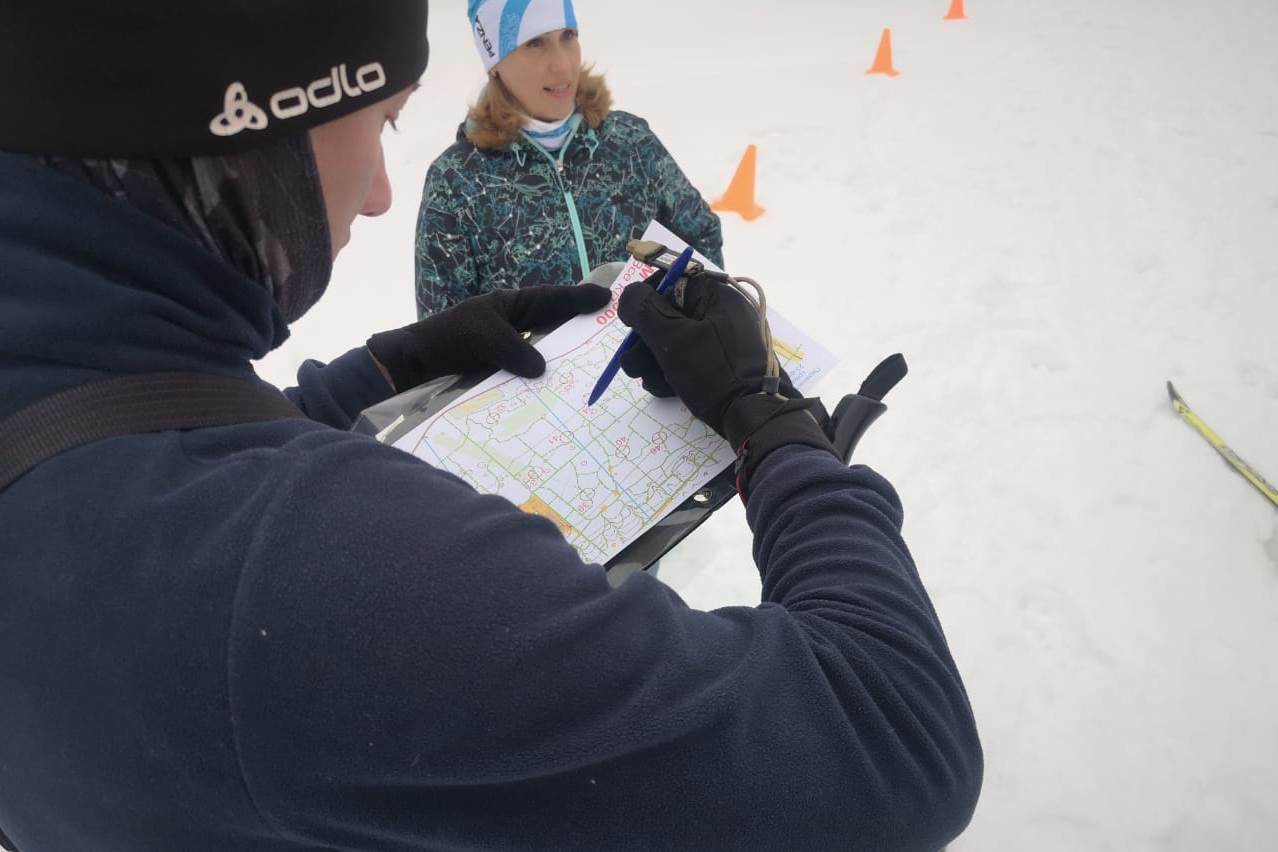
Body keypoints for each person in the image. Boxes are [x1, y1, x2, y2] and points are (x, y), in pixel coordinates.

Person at [0, 2, 982, 851]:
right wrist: (772, 423)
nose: (381, 194)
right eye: (379, 125)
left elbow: (143, 472)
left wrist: (374, 377)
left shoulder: (60, 427)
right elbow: (888, 742)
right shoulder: (309, 568)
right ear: (252, 125)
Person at [413, 0, 725, 318]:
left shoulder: (630, 141)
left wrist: (695, 322)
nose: (563, 65)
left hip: (650, 364)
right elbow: (443, 334)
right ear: (495, 62)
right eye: (535, 43)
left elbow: (700, 234)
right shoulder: (457, 180)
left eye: (568, 35)